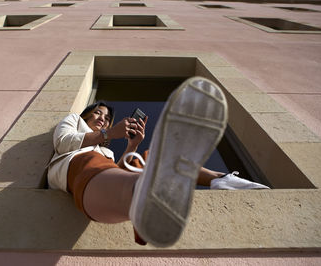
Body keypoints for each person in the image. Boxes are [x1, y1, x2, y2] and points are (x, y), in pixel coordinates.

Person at [47, 77, 269, 247]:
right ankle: (144, 192)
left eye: (106, 118)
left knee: (151, 155)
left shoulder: (107, 153)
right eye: (97, 113)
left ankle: (220, 179)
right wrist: (107, 134)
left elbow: (120, 172)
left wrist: (133, 145)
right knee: (92, 160)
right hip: (74, 169)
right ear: (86, 115)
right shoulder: (74, 121)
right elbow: (62, 143)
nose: (102, 118)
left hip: (106, 183)